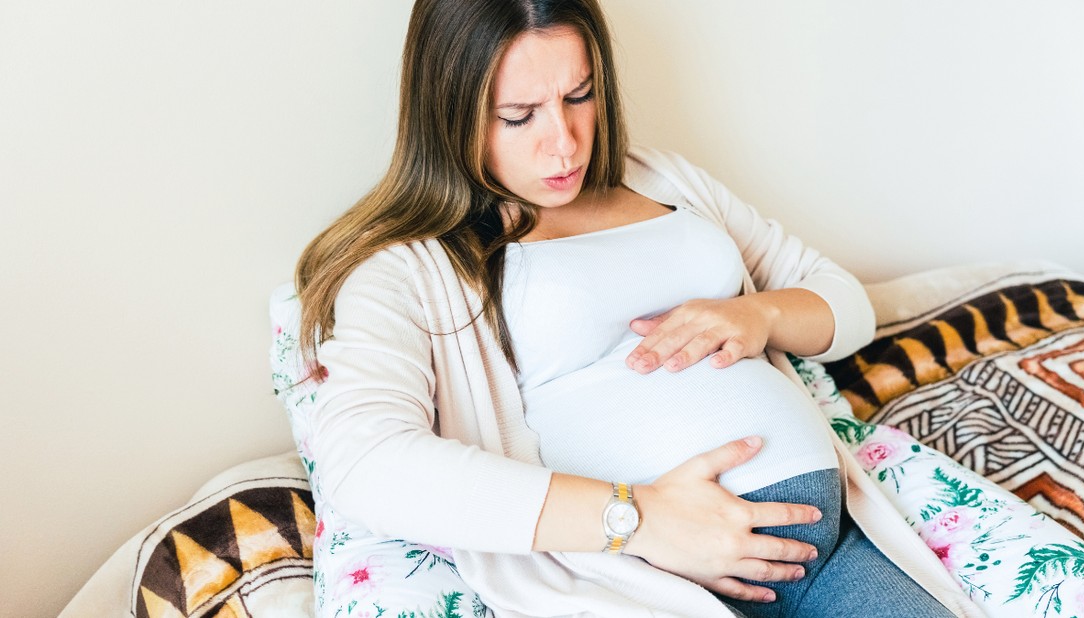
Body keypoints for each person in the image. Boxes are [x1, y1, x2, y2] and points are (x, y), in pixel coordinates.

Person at [294, 1, 982, 616]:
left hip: (829, 556)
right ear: (447, 111)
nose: (563, 141)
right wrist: (642, 518)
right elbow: (365, 461)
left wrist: (761, 315)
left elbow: (845, 305)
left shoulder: (663, 179)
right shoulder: (408, 264)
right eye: (519, 115)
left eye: (580, 96)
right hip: (648, 583)